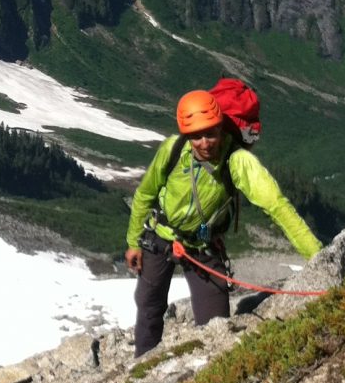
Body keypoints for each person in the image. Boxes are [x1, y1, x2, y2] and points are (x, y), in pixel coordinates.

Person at [125, 89, 322, 356]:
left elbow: (277, 206)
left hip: (202, 247)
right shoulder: (173, 149)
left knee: (216, 326)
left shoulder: (237, 161)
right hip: (160, 237)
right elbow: (145, 194)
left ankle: (206, 373)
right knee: (149, 307)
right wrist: (133, 242)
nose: (204, 142)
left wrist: (319, 258)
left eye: (211, 133)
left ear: (221, 128)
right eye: (196, 136)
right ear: (186, 135)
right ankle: (142, 366)